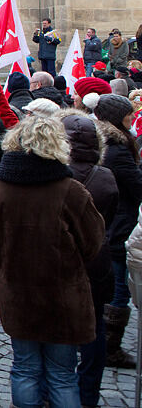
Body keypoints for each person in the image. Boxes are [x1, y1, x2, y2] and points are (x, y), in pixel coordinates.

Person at [0, 115, 105, 408]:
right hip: (62, 298)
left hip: (17, 294)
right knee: (62, 375)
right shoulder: (70, 191)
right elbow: (92, 242)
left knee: (24, 369)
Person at [59, 110, 119, 407]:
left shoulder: (56, 176)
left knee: (64, 332)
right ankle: (87, 395)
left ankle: (61, 391)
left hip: (64, 262)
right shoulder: (105, 177)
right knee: (93, 328)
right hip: (96, 260)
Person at [92, 94, 142, 369]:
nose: (133, 117)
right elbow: (136, 186)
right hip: (119, 224)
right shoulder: (118, 148)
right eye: (128, 114)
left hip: (107, 221)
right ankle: (110, 345)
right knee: (118, 287)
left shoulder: (100, 142)